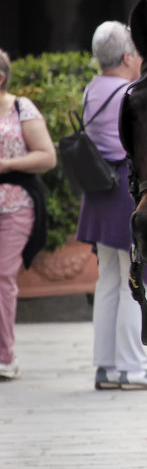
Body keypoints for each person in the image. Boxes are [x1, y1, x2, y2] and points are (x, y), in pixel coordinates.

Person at [77, 22, 147, 390]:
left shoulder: (92, 89)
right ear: (128, 56)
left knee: (110, 281)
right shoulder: (130, 92)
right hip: (125, 194)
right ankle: (131, 367)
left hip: (100, 194)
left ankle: (107, 365)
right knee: (135, 282)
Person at [0, 48, 57, 381]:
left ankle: (5, 356)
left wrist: (7, 164)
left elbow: (47, 157)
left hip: (15, 205)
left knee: (3, 277)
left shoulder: (22, 108)